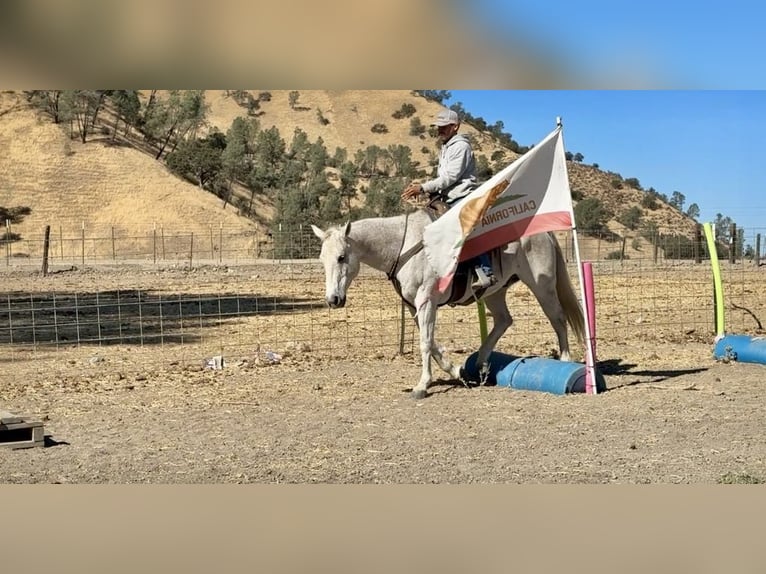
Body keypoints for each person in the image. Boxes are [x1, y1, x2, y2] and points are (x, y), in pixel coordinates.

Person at [401, 108, 495, 289]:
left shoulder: (461, 147)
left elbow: (450, 177)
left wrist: (422, 187)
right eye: (439, 127)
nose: (440, 130)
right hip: (448, 197)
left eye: (444, 127)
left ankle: (485, 271)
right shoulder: (446, 147)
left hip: (462, 196)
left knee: (462, 227)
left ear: (455, 126)